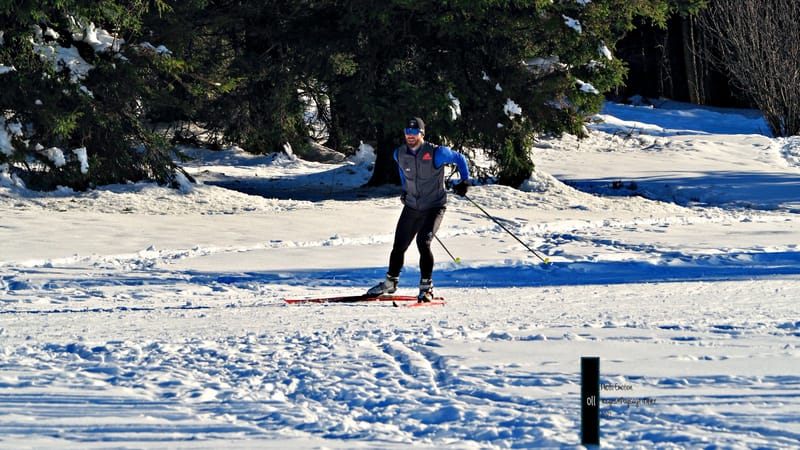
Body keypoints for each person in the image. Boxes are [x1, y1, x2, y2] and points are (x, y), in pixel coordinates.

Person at [367, 117, 470, 302]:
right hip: (412, 206)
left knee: (424, 242)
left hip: (434, 207)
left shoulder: (437, 152)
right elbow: (402, 172)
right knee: (399, 246)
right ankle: (391, 282)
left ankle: (426, 286)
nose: (410, 136)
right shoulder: (399, 153)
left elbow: (459, 158)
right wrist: (406, 190)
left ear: (422, 134)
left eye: (415, 132)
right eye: (407, 132)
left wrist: (465, 181)